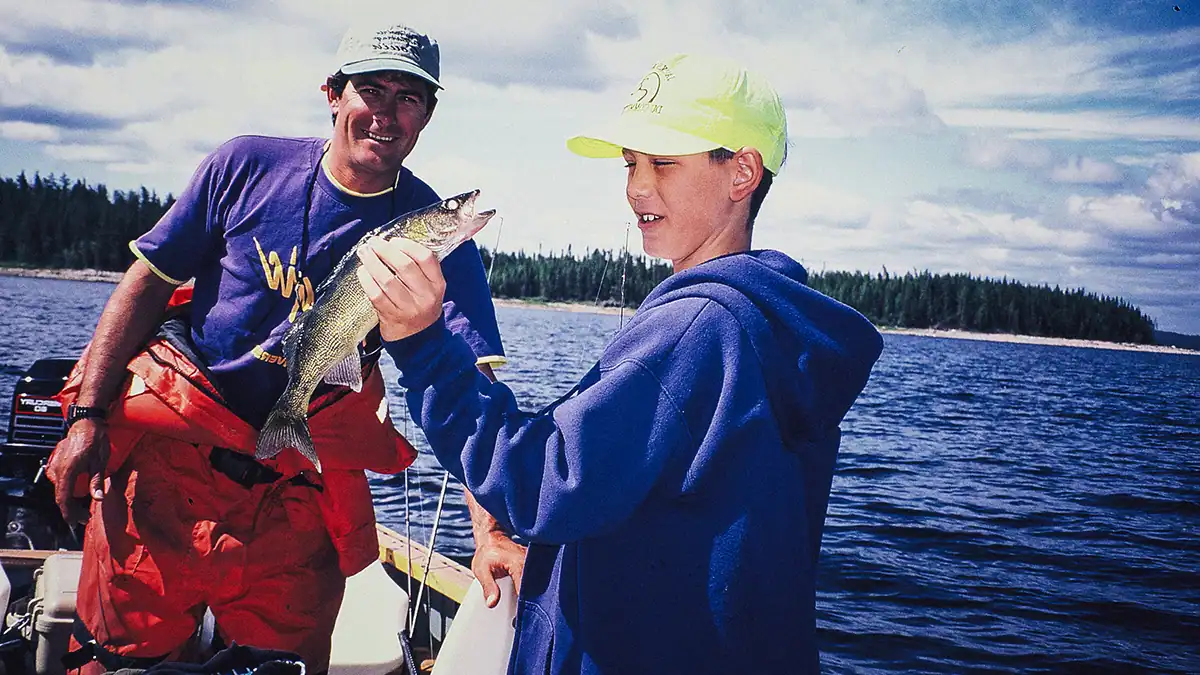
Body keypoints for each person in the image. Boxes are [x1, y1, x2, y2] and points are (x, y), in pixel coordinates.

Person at [358, 53, 885, 674]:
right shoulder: (767, 322)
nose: (636, 187)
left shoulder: (696, 329)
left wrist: (422, 347)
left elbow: (543, 484)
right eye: (631, 162)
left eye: (663, 162)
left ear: (742, 172)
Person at [45, 20, 524, 674]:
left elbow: (473, 388)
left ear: (428, 114)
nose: (386, 113)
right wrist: (86, 414)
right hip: (170, 470)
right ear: (333, 93)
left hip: (295, 499)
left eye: (408, 97)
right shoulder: (243, 165)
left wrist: (492, 530)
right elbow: (146, 282)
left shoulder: (440, 246)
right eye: (371, 89)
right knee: (117, 662)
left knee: (281, 666)